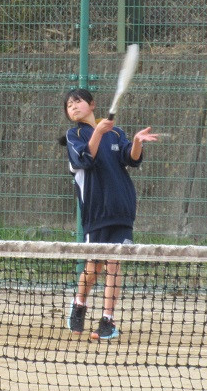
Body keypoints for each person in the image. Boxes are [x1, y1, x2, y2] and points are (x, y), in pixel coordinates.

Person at [61, 87, 158, 340]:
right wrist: (98, 132)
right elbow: (84, 159)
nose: (73, 107)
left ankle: (107, 320)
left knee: (114, 263)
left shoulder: (115, 133)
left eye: (77, 102)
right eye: (69, 105)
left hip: (122, 208)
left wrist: (136, 142)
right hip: (96, 211)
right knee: (94, 266)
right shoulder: (74, 135)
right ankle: (79, 303)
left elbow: (131, 159)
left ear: (92, 104)